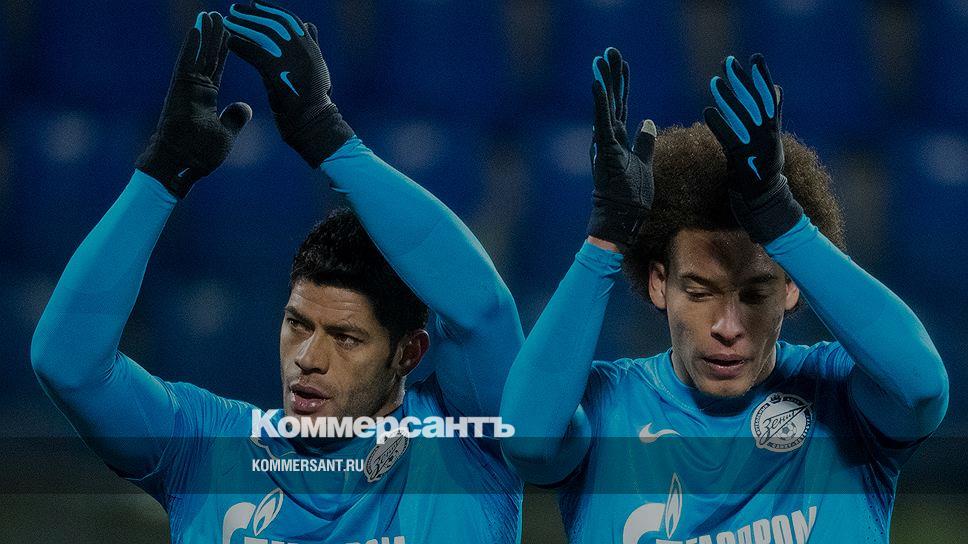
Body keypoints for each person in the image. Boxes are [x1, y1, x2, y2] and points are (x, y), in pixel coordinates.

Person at [31, 6, 524, 543]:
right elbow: (68, 365)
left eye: (346, 337)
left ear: (408, 352)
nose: (308, 358)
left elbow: (482, 311)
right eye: (298, 324)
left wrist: (328, 138)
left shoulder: (466, 447)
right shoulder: (208, 448)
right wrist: (160, 176)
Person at [499, 47, 949, 543]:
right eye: (699, 291)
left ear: (793, 287)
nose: (727, 326)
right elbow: (526, 445)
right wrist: (605, 241)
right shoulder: (612, 408)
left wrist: (782, 221)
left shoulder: (840, 395)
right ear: (659, 283)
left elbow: (923, 387)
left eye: (754, 294)